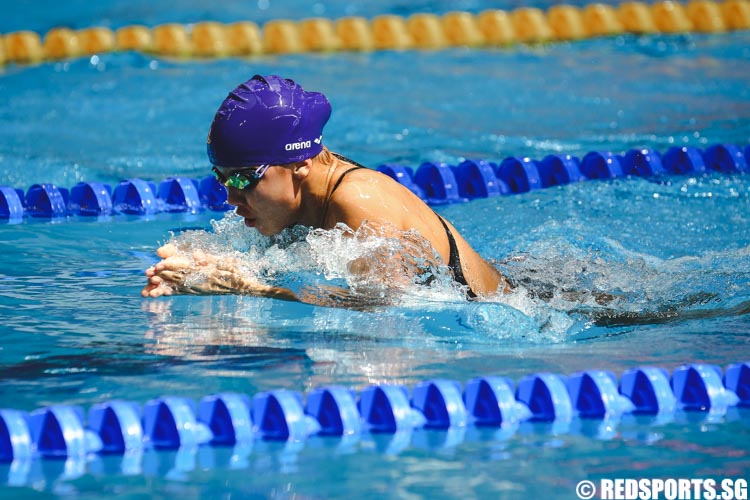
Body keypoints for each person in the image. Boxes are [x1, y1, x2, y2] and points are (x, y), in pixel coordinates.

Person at [142, 74, 512, 303]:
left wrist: (247, 288)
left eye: (242, 178)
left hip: (518, 312)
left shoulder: (359, 202)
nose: (230, 196)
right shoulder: (294, 201)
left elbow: (390, 308)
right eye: (220, 177)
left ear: (300, 165)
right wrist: (203, 264)